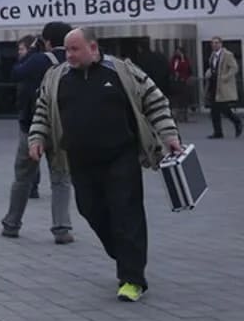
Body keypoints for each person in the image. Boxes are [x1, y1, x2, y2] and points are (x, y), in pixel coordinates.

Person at [28, 27, 182, 302]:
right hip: (80, 159)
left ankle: (132, 278)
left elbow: (155, 101)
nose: (70, 55)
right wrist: (36, 138)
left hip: (120, 156)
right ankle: (124, 252)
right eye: (67, 50)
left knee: (126, 213)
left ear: (93, 48)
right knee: (90, 210)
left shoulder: (121, 71)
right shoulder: (56, 77)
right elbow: (42, 110)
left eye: (75, 49)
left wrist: (169, 135)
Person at [2, 23, 74, 244]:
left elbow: (15, 73)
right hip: (61, 128)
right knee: (61, 179)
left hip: (31, 126)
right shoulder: (73, 60)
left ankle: (12, 223)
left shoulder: (39, 59)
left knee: (23, 177)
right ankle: (61, 228)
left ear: (47, 40)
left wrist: (33, 50)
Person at [206, 36, 241, 139]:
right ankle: (218, 132)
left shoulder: (227, 55)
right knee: (214, 110)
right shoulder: (212, 55)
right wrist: (208, 73)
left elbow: (234, 68)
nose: (215, 45)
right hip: (213, 85)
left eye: (217, 43)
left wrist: (225, 77)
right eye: (213, 43)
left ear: (221, 44)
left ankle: (237, 122)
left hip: (222, 86)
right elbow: (212, 68)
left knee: (224, 108)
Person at [169, 46, 192, 123]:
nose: (177, 53)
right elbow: (171, 68)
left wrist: (182, 59)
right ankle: (177, 116)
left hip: (183, 81)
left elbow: (186, 69)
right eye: (177, 51)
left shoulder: (185, 60)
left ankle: (184, 116)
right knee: (176, 99)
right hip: (175, 81)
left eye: (179, 51)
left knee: (183, 99)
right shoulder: (174, 60)